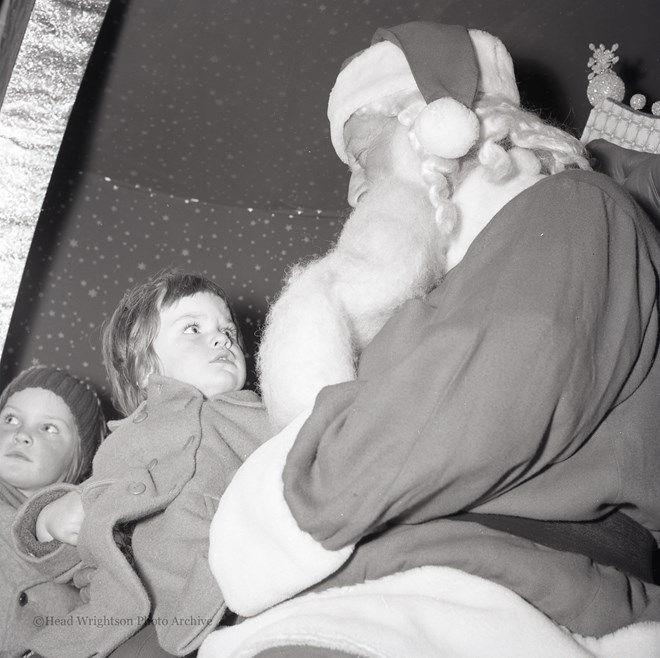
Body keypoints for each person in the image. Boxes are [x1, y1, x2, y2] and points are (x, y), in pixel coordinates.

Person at [205, 21, 660, 653]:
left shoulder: (577, 208)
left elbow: (470, 405)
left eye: (365, 158)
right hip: (420, 584)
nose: (354, 190)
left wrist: (283, 504)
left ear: (443, 123)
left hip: (510, 591)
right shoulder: (450, 285)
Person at [12, 269, 272, 658]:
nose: (222, 338)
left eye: (228, 331)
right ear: (144, 366)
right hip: (105, 616)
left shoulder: (261, 419)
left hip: (211, 604)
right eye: (192, 329)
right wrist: (50, 522)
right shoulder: (125, 440)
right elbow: (91, 518)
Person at [0, 366, 105, 658]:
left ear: (78, 460)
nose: (21, 434)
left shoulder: (90, 528)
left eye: (48, 428)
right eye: (10, 419)